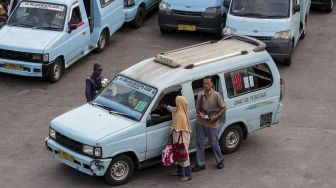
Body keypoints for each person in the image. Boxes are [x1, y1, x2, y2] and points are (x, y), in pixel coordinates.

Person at [192, 76, 226, 172]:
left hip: (212, 124)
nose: (205, 85)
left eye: (207, 83)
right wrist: (200, 113)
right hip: (201, 123)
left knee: (214, 143)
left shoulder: (216, 95)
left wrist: (216, 117)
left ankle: (220, 161)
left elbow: (223, 108)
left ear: (212, 84)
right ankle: (200, 164)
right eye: (204, 83)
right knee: (199, 144)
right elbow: (197, 108)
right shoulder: (200, 95)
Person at [163, 96, 192, 182]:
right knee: (179, 154)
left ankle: (188, 174)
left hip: (182, 138)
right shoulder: (180, 110)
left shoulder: (180, 115)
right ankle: (180, 172)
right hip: (180, 137)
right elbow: (173, 109)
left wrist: (170, 131)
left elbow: (175, 127)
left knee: (184, 155)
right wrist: (166, 106)